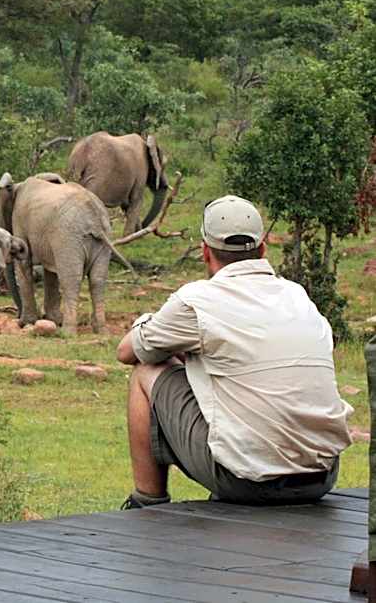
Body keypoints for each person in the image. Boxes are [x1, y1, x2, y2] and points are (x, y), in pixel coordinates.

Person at [115, 195, 353, 508]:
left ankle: (147, 502)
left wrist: (149, 325)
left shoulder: (197, 301)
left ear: (205, 252)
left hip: (247, 483)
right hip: (321, 477)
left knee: (146, 372)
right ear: (263, 249)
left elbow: (127, 351)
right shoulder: (298, 296)